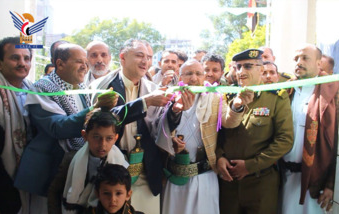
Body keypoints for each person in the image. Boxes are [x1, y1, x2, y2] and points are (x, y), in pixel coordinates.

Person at [90, 38, 194, 214]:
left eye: (150, 57)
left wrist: (175, 111)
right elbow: (102, 121)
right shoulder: (103, 85)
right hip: (111, 169)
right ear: (123, 57)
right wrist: (144, 103)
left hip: (145, 169)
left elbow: (159, 125)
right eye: (139, 55)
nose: (145, 61)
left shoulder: (151, 87)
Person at [14, 44, 118, 211]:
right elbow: (57, 127)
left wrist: (104, 109)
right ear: (60, 64)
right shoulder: (42, 88)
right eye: (79, 61)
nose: (85, 66)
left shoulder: (82, 89)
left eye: (86, 62)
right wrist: (94, 108)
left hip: (74, 169)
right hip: (48, 170)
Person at [216, 49, 294, 214]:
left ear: (261, 69)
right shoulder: (227, 96)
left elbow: (285, 139)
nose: (241, 72)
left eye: (248, 66)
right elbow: (216, 133)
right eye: (238, 67)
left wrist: (250, 166)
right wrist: (219, 156)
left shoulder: (276, 97)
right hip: (228, 182)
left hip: (261, 183)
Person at [156, 59, 230, 214]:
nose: (194, 78)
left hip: (205, 177)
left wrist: (237, 107)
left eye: (198, 73)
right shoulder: (168, 98)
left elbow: (230, 121)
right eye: (189, 73)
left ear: (204, 77)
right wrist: (171, 143)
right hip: (175, 177)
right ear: (179, 76)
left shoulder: (215, 98)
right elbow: (159, 131)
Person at [280, 44, 339, 214]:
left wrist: (331, 184)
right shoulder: (287, 89)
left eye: (305, 58)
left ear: (319, 64)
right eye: (296, 59)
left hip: (315, 183)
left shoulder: (333, 89)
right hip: (284, 178)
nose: (298, 62)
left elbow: (337, 141)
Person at [48, 108, 128, 213]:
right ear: (85, 136)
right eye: (96, 137)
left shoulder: (121, 162)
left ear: (115, 138)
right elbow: (54, 192)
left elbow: (124, 196)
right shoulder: (71, 159)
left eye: (109, 138)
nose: (102, 144)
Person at [0, 36, 33, 214]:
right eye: (15, 57)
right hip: (0, 189)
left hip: (27, 183)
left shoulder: (32, 90)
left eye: (26, 58)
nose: (22, 63)